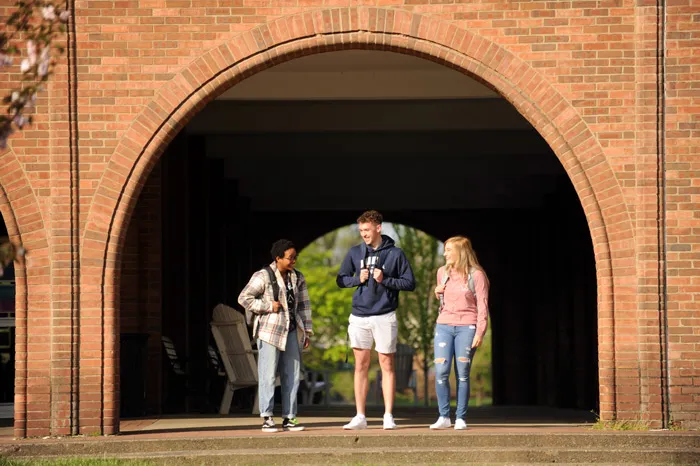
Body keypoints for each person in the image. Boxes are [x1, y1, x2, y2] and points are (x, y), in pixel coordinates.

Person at [337, 210, 416, 430]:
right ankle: (360, 416)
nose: (363, 234)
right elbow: (340, 280)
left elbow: (410, 283)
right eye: (360, 230)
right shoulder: (354, 253)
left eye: (367, 230)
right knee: (360, 366)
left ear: (378, 228)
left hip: (385, 315)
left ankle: (388, 415)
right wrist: (356, 279)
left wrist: (386, 279)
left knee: (387, 364)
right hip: (359, 316)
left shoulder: (395, 254)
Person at [238, 239, 313, 433]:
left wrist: (307, 331)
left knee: (293, 375)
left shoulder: (298, 277)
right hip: (269, 331)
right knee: (268, 375)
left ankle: (290, 417)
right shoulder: (262, 276)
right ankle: (267, 417)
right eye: (290, 258)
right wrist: (268, 306)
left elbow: (304, 305)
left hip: (293, 331)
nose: (294, 261)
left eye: (295, 257)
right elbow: (244, 298)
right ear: (278, 258)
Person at [430, 236, 489, 430]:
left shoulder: (477, 275)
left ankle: (461, 417)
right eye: (445, 249)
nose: (445, 253)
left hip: (467, 327)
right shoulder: (442, 273)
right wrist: (436, 291)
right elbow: (442, 298)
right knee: (441, 371)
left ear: (460, 252)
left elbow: (482, 306)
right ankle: (444, 416)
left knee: (462, 373)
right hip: (444, 326)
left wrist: (480, 332)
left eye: (448, 250)